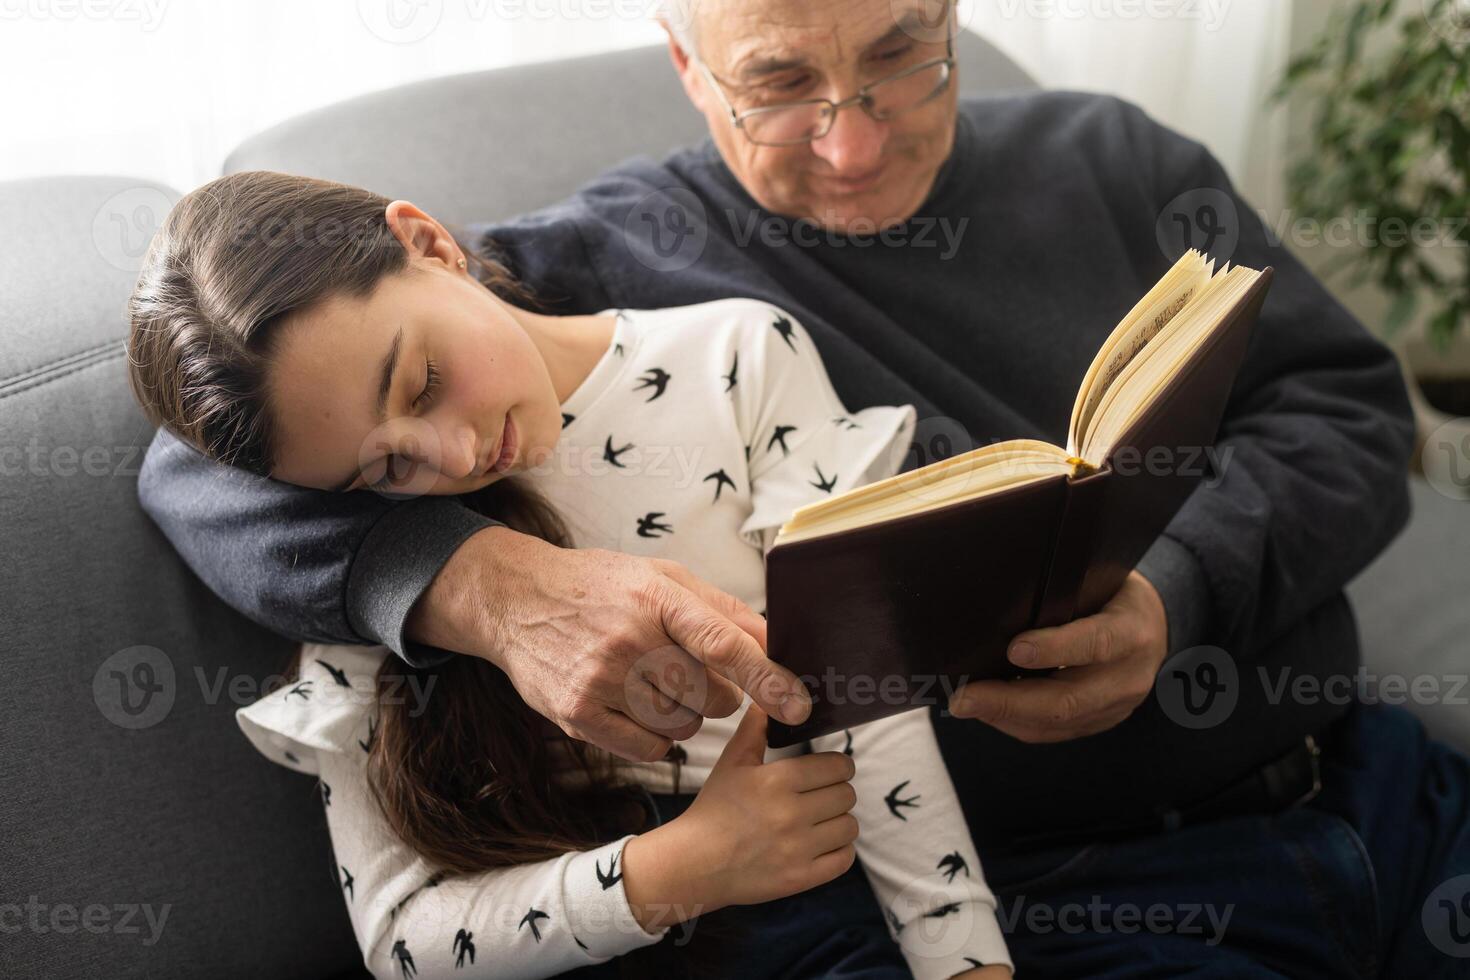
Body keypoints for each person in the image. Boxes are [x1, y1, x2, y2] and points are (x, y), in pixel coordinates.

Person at [136, 0, 1470, 973]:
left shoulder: (1117, 158)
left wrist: (1174, 597)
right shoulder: (592, 275)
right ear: (687, 67)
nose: (852, 141)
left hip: (1365, 782)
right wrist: (483, 585)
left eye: (902, 52)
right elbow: (196, 459)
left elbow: (1346, 407)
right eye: (778, 84)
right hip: (1064, 900)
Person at [125, 169, 1014, 979]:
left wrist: (964, 955)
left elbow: (869, 693)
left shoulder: (734, 359)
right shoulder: (346, 558)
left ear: (430, 245)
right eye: (387, 468)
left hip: (836, 902)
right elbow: (402, 938)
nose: (455, 453)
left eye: (425, 380)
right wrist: (677, 871)